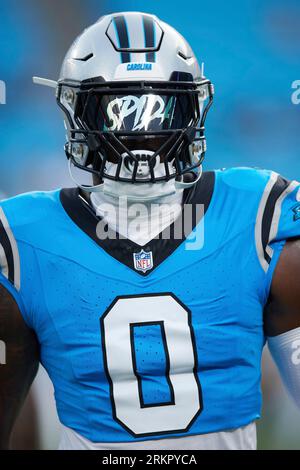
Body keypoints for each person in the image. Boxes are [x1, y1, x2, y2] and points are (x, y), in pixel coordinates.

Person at [0, 12, 299, 450]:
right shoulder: (257, 215)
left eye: (159, 107)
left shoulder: (261, 218)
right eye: (120, 108)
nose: (140, 134)